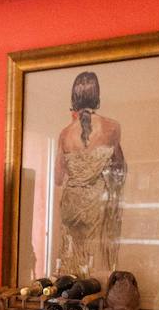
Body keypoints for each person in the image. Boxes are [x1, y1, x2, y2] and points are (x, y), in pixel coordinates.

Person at [54, 71, 126, 277]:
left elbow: (59, 176)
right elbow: (118, 167)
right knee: (95, 265)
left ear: (73, 98)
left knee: (70, 260)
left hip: (70, 205)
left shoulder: (65, 133)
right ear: (97, 96)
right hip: (96, 204)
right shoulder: (112, 128)